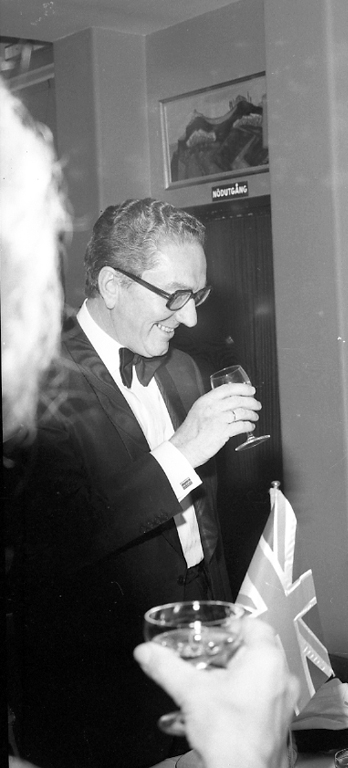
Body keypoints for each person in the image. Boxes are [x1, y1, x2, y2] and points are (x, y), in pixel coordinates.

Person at [2, 80, 298, 768]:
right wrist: (182, 450)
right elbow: (48, 548)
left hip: (199, 663)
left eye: (198, 295)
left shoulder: (184, 370)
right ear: (111, 286)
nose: (190, 318)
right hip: (94, 688)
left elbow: (203, 525)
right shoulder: (33, 386)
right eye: (175, 297)